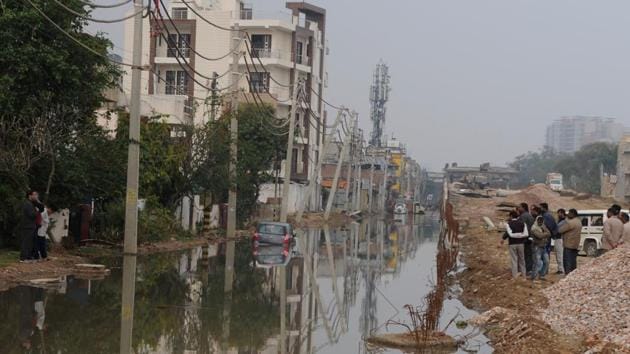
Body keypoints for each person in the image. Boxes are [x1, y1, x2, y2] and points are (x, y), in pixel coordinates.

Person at [501, 210, 529, 278]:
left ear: (511, 216)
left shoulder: (509, 224)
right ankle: (524, 275)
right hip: (521, 243)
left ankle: (515, 275)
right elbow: (526, 234)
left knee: (514, 259)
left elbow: (508, 233)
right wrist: (520, 236)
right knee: (522, 259)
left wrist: (503, 239)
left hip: (512, 243)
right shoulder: (522, 223)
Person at [18, 191, 39, 263]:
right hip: (27, 226)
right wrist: (37, 211)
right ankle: (23, 258)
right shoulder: (28, 204)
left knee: (29, 243)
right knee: (26, 242)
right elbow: (32, 215)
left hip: (29, 226)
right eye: (35, 195)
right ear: (30, 196)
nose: (36, 196)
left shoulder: (30, 204)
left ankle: (27, 257)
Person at [558, 209, 581, 274]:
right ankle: (573, 274)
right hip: (575, 244)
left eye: (569, 213)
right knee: (573, 261)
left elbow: (560, 230)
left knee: (567, 261)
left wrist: (566, 220)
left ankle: (567, 274)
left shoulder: (570, 222)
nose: (568, 215)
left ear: (573, 214)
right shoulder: (579, 221)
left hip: (568, 244)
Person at [540, 203, 559, 274]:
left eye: (540, 207)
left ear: (544, 208)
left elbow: (549, 227)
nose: (540, 209)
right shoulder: (546, 215)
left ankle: (544, 270)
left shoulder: (547, 216)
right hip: (547, 237)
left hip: (546, 238)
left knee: (545, 254)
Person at [530, 216, 551, 280]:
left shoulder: (543, 227)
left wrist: (545, 230)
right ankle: (534, 276)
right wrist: (546, 233)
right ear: (537, 220)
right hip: (537, 247)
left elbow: (549, 234)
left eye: (541, 221)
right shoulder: (534, 228)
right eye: (539, 221)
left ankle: (542, 275)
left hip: (543, 247)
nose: (540, 222)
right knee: (537, 262)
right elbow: (540, 236)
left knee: (546, 261)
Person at [517, 203, 535, 275]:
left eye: (519, 207)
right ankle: (529, 269)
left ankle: (525, 270)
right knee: (529, 254)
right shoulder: (530, 215)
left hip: (525, 238)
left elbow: (522, 227)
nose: (518, 209)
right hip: (530, 238)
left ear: (523, 208)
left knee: (524, 254)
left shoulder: (523, 216)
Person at [553, 209, 567, 274]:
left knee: (560, 254)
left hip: (560, 239)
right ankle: (560, 268)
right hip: (558, 238)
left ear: (561, 213)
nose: (558, 215)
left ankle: (561, 269)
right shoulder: (561, 220)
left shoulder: (564, 221)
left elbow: (558, 229)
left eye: (558, 213)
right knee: (558, 254)